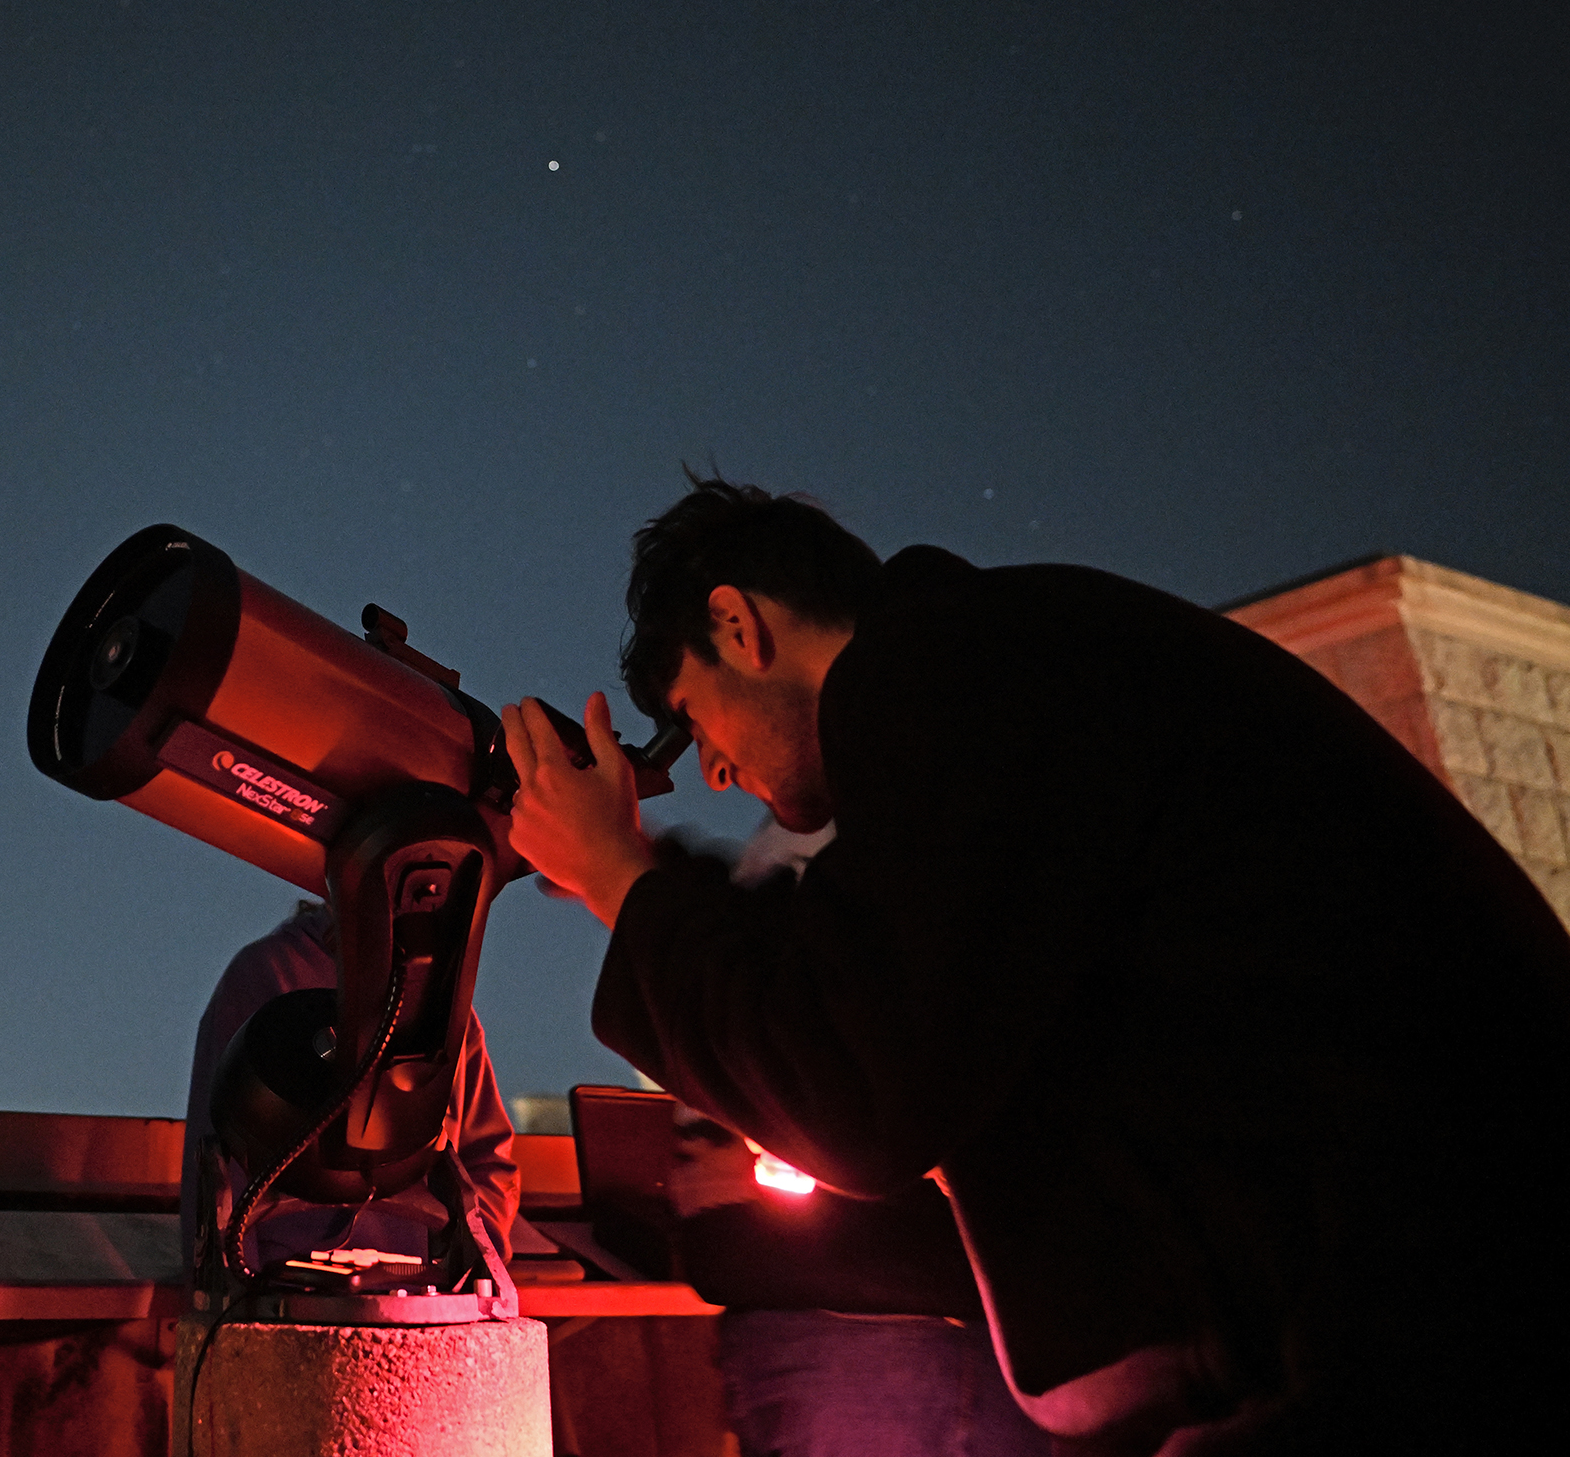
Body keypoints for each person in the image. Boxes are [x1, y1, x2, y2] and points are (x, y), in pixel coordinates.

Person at [502, 479, 1570, 1456]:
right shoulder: (1006, 668)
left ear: (741, 624)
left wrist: (619, 878)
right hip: (1400, 1292)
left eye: (694, 716)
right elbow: (862, 976)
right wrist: (642, 876)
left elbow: (855, 1084)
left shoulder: (944, 672)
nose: (716, 769)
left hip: (1431, 1309)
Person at [675, 817, 1049, 1457]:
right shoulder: (800, 864)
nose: (711, 770)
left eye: (692, 716)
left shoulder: (906, 850)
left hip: (923, 1329)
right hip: (845, 1325)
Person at [180, 895, 519, 1284]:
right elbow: (215, 1162)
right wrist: (241, 1301)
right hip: (284, 1288)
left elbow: (488, 1160)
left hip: (426, 1289)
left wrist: (468, 1269)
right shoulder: (262, 974)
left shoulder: (442, 1003)